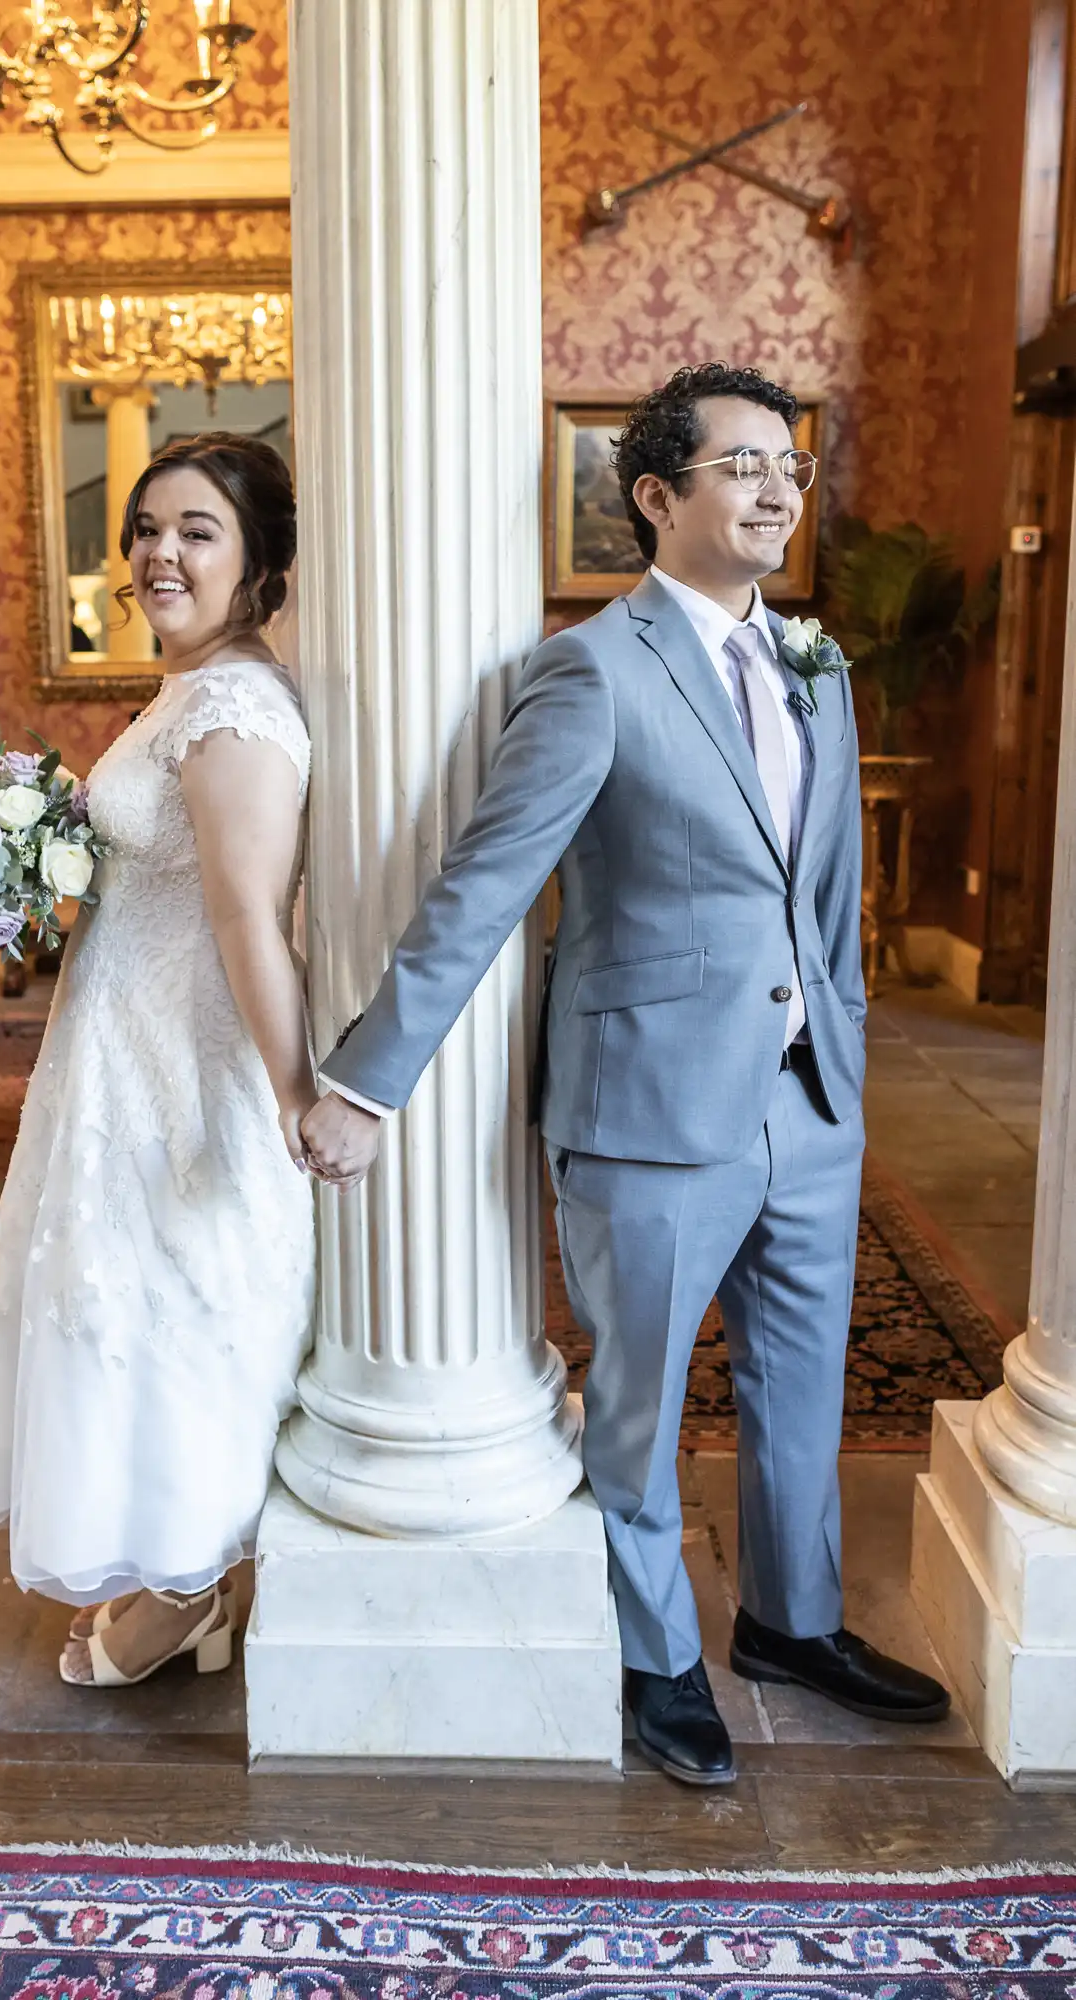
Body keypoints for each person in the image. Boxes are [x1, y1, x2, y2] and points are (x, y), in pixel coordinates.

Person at [300, 363, 949, 1784]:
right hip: (647, 1109)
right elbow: (483, 889)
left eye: (788, 463)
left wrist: (834, 1035)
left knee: (799, 1386)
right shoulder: (591, 671)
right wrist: (363, 1082)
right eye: (741, 466)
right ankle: (660, 1658)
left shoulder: (814, 665)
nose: (778, 487)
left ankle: (794, 1622)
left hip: (808, 1103)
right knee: (644, 1404)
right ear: (657, 498)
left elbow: (825, 899)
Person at [0, 434, 317, 1689]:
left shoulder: (234, 708)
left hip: (183, 1062)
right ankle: (180, 1578)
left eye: (198, 530)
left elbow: (247, 916)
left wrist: (293, 1090)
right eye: (147, 528)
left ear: (259, 563)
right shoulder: (184, 690)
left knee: (191, 1307)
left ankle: (191, 1581)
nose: (160, 551)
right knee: (131, 1313)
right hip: (121, 1049)